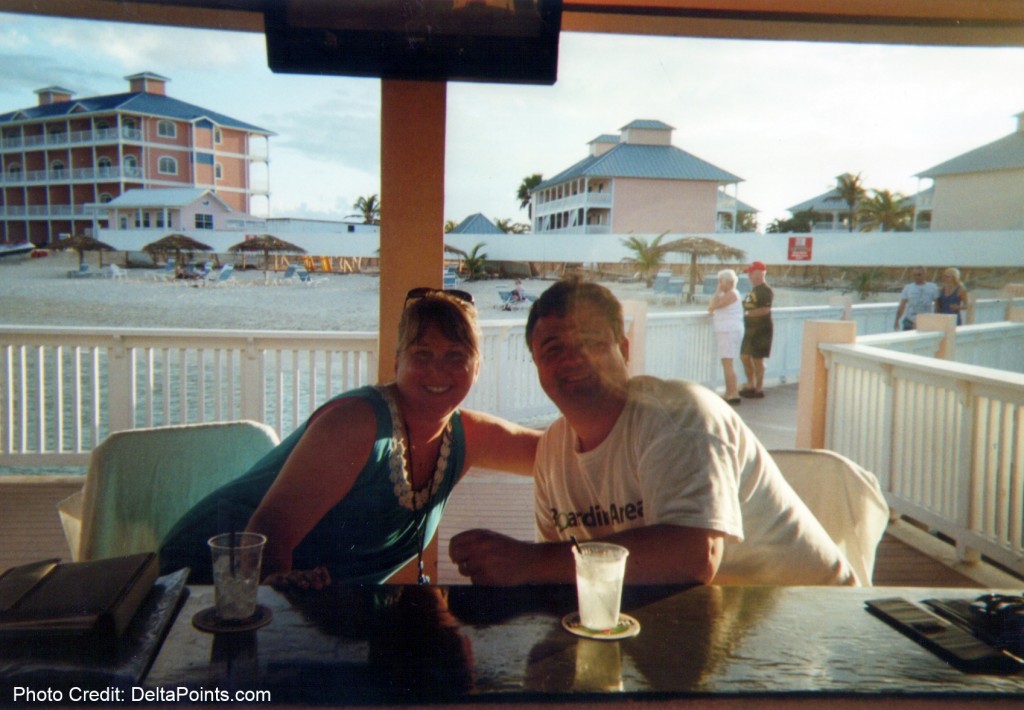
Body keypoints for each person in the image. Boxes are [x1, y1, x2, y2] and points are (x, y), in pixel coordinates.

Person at [449, 278, 857, 587]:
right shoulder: (553, 452)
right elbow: (565, 568)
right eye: (553, 349)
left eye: (591, 340)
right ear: (537, 366)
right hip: (697, 624)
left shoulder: (678, 416)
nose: (573, 358)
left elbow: (693, 558)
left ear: (623, 349)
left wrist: (528, 562)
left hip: (813, 620)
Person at [160, 287, 540, 585]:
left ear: (477, 369)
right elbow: (265, 539)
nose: (438, 371)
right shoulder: (357, 424)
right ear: (397, 362)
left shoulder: (468, 434)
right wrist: (278, 601)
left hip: (316, 615)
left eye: (456, 356)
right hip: (203, 587)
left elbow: (560, 453)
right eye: (422, 354)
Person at [707, 268, 743, 405]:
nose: (719, 284)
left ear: (727, 282)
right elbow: (712, 307)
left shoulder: (732, 294)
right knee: (727, 362)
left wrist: (717, 291)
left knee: (728, 363)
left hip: (729, 331)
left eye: (720, 281)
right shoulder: (731, 293)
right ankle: (730, 392)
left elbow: (712, 306)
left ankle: (733, 393)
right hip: (727, 331)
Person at [739, 261, 773, 399]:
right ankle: (750, 384)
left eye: (751, 273)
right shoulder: (753, 290)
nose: (749, 276)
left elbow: (765, 309)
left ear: (759, 274)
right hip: (749, 329)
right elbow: (745, 304)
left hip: (762, 330)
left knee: (757, 360)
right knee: (745, 356)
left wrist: (747, 314)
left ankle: (758, 388)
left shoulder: (765, 290)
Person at [894, 266, 939, 330]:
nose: (917, 277)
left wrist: (936, 320)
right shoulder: (908, 288)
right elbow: (902, 305)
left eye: (919, 275)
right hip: (910, 321)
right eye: (914, 275)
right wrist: (897, 320)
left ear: (925, 274)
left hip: (926, 321)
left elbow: (937, 306)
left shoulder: (932, 287)